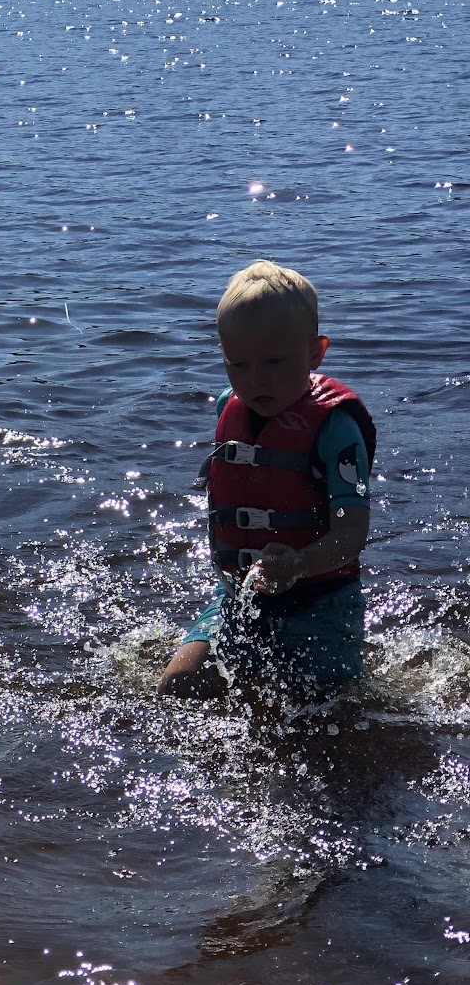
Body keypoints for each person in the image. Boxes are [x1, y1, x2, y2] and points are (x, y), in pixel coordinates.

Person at [158, 261, 374, 700]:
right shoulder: (229, 406)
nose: (255, 379)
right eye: (238, 364)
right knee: (178, 686)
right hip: (240, 598)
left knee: (323, 712)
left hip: (322, 601)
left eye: (273, 362)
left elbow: (352, 533)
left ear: (315, 353)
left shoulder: (336, 429)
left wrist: (299, 564)